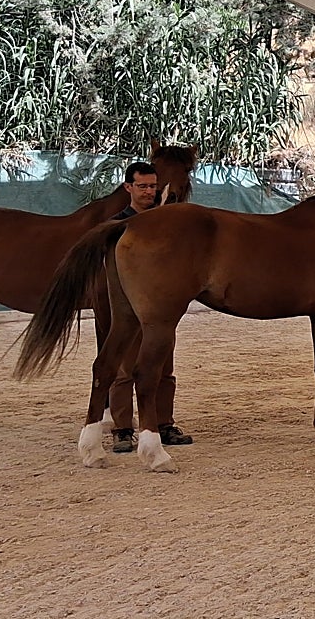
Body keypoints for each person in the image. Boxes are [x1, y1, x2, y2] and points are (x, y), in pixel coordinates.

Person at [109, 162, 193, 453]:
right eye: (142, 186)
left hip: (160, 306)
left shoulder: (165, 224)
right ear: (128, 188)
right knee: (124, 369)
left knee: (164, 365)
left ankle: (164, 422)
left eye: (152, 186)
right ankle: (122, 429)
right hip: (129, 307)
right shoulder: (119, 225)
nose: (148, 192)